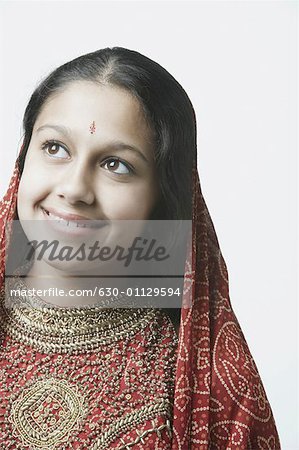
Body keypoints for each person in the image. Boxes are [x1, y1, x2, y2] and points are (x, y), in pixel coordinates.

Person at [0, 47, 280, 449]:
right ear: (22, 161)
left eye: (116, 164)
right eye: (55, 148)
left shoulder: (203, 381)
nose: (74, 189)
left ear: (162, 198)